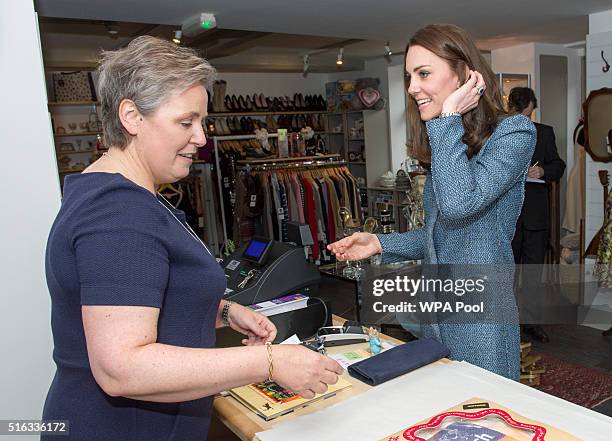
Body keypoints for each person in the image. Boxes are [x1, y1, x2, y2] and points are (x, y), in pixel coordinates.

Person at [42, 36, 342, 441]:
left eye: (201, 122)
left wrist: (220, 310)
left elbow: (138, 293)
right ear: (131, 116)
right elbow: (121, 368)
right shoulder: (119, 212)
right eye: (186, 122)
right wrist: (269, 362)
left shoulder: (121, 195)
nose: (201, 138)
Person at [328, 24, 536, 381]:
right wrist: (378, 242)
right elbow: (441, 234)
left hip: (480, 318)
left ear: (465, 75)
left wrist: (448, 118)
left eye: (424, 73)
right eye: (410, 76)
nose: (411, 88)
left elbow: (459, 206)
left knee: (486, 419)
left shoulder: (514, 132)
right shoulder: (450, 141)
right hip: (436, 312)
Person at [508, 87, 566, 343]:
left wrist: (542, 171)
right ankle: (505, 324)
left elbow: (558, 165)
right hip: (506, 216)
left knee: (531, 273)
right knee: (506, 271)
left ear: (532, 107)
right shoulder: (500, 131)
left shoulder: (544, 133)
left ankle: (530, 323)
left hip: (535, 215)